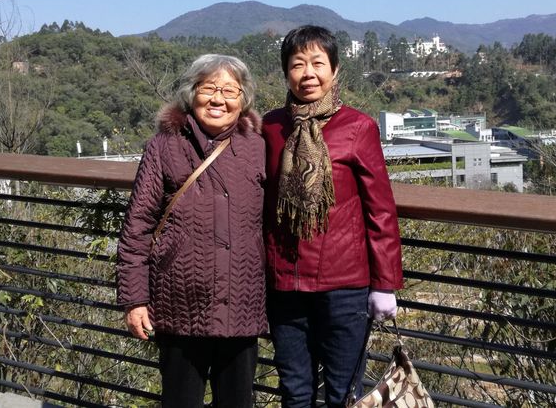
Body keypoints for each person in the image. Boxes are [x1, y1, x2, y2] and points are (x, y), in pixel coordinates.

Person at [263, 25, 404, 408]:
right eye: (297, 64)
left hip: (344, 286)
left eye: (317, 63)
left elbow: (380, 210)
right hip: (285, 284)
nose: (308, 74)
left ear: (335, 69)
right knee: (295, 391)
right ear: (286, 72)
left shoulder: (358, 127)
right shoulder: (270, 128)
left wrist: (385, 284)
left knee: (343, 394)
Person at [116, 54, 266, 408]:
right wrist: (134, 300)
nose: (218, 99)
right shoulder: (164, 146)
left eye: (229, 90)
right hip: (179, 304)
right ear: (191, 92)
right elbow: (137, 227)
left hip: (241, 303)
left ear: (243, 99)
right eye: (208, 88)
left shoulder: (258, 147)